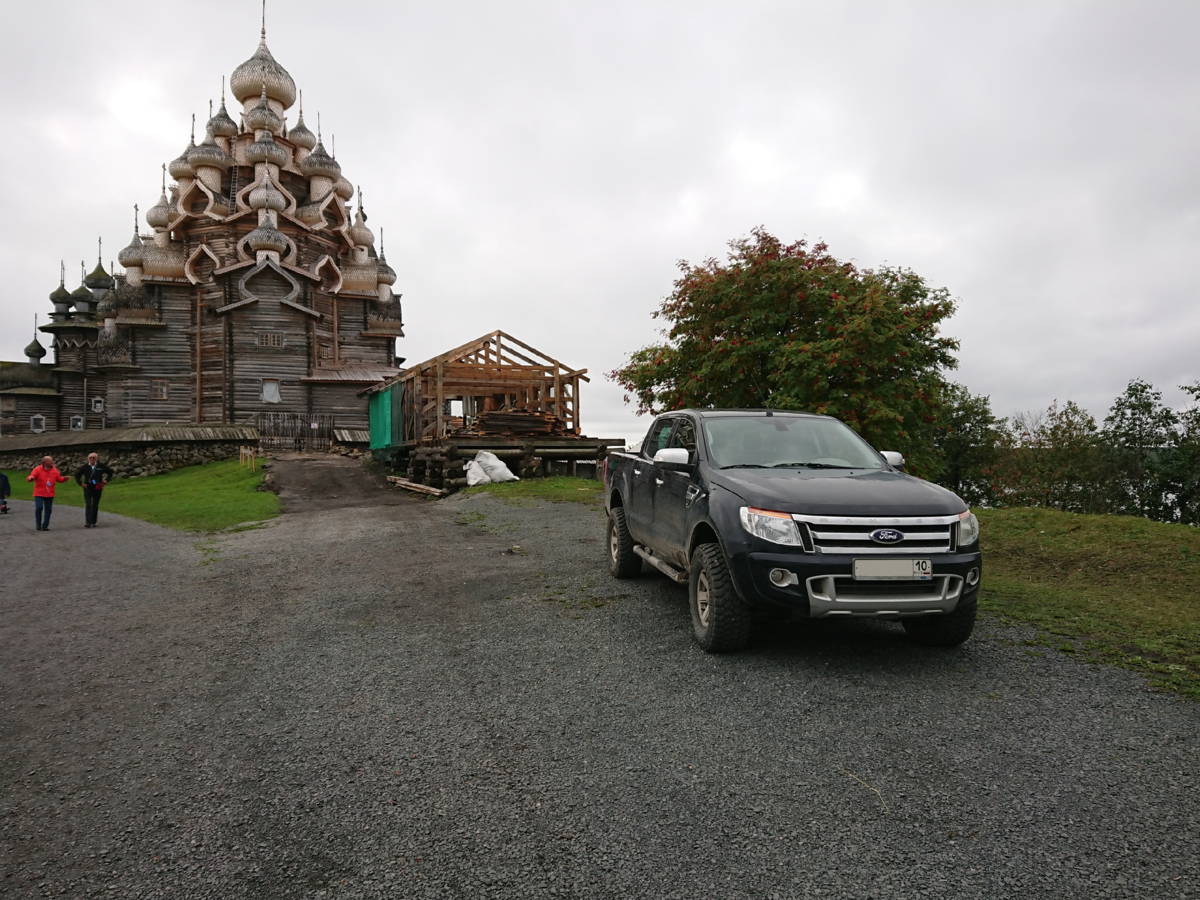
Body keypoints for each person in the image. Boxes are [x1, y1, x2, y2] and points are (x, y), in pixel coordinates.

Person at [26, 456, 68, 531]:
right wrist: (31, 478)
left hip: (49, 493)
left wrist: (64, 479)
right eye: (50, 461)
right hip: (39, 492)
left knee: (48, 509)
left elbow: (59, 479)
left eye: (52, 460)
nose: (52, 462)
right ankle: (38, 524)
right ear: (44, 462)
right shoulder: (37, 469)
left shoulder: (54, 470)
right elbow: (31, 476)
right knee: (39, 507)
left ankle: (45, 526)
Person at [75, 452, 115, 528]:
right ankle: (88, 522)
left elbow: (110, 472)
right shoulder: (85, 467)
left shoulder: (100, 466)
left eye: (94, 457)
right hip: (88, 488)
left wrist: (106, 480)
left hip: (97, 488)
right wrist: (81, 483)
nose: (92, 459)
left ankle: (93, 521)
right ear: (88, 459)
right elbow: (77, 475)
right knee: (88, 504)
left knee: (95, 505)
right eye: (90, 458)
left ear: (96, 458)